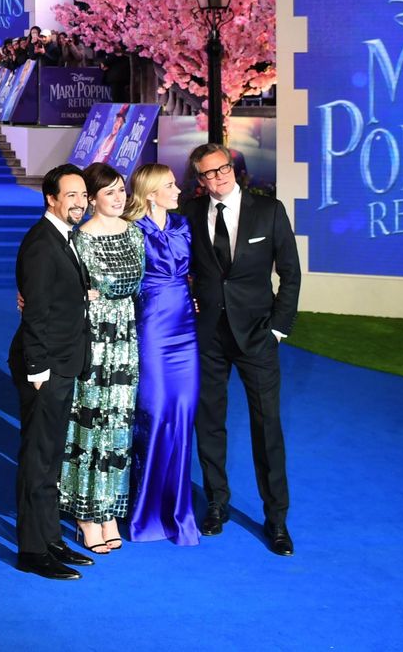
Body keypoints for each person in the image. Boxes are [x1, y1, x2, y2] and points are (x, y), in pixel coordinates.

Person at [183, 143, 301, 556]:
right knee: (209, 422)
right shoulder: (190, 214)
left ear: (234, 169)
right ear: (199, 179)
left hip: (257, 337)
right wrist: (189, 297)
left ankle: (277, 519)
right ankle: (216, 503)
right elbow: (178, 265)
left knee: (267, 426)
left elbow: (290, 274)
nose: (217, 178)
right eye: (208, 174)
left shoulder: (269, 210)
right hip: (208, 337)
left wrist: (277, 331)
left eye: (222, 169)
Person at [8, 165, 96, 581]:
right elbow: (36, 315)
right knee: (38, 460)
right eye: (72, 195)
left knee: (51, 460)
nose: (80, 201)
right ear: (51, 198)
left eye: (83, 195)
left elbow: (53, 298)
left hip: (62, 361)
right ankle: (31, 549)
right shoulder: (42, 244)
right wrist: (38, 370)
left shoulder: (64, 237)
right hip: (45, 368)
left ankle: (51, 539)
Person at [61, 161, 143, 554]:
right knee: (90, 423)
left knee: (118, 424)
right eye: (109, 191)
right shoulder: (79, 240)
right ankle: (85, 513)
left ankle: (109, 509)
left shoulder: (135, 233)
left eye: (122, 189)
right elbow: (71, 290)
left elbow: (133, 283)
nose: (118, 197)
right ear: (91, 198)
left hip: (125, 338)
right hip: (93, 339)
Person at [123, 164, 200, 545]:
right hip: (151, 327)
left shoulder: (184, 225)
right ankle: (145, 510)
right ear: (151, 193)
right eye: (170, 185)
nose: (178, 189)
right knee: (153, 415)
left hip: (185, 330)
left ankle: (178, 509)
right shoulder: (131, 229)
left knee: (183, 413)